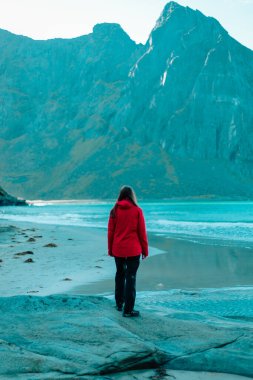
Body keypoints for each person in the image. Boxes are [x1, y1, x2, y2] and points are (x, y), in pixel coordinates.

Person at [108, 185, 148, 317]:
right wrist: (145, 250)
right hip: (133, 250)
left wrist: (110, 249)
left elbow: (110, 233)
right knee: (131, 278)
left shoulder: (114, 210)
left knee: (119, 275)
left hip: (118, 249)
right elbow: (142, 233)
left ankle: (119, 304)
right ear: (132, 196)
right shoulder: (137, 210)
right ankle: (128, 310)